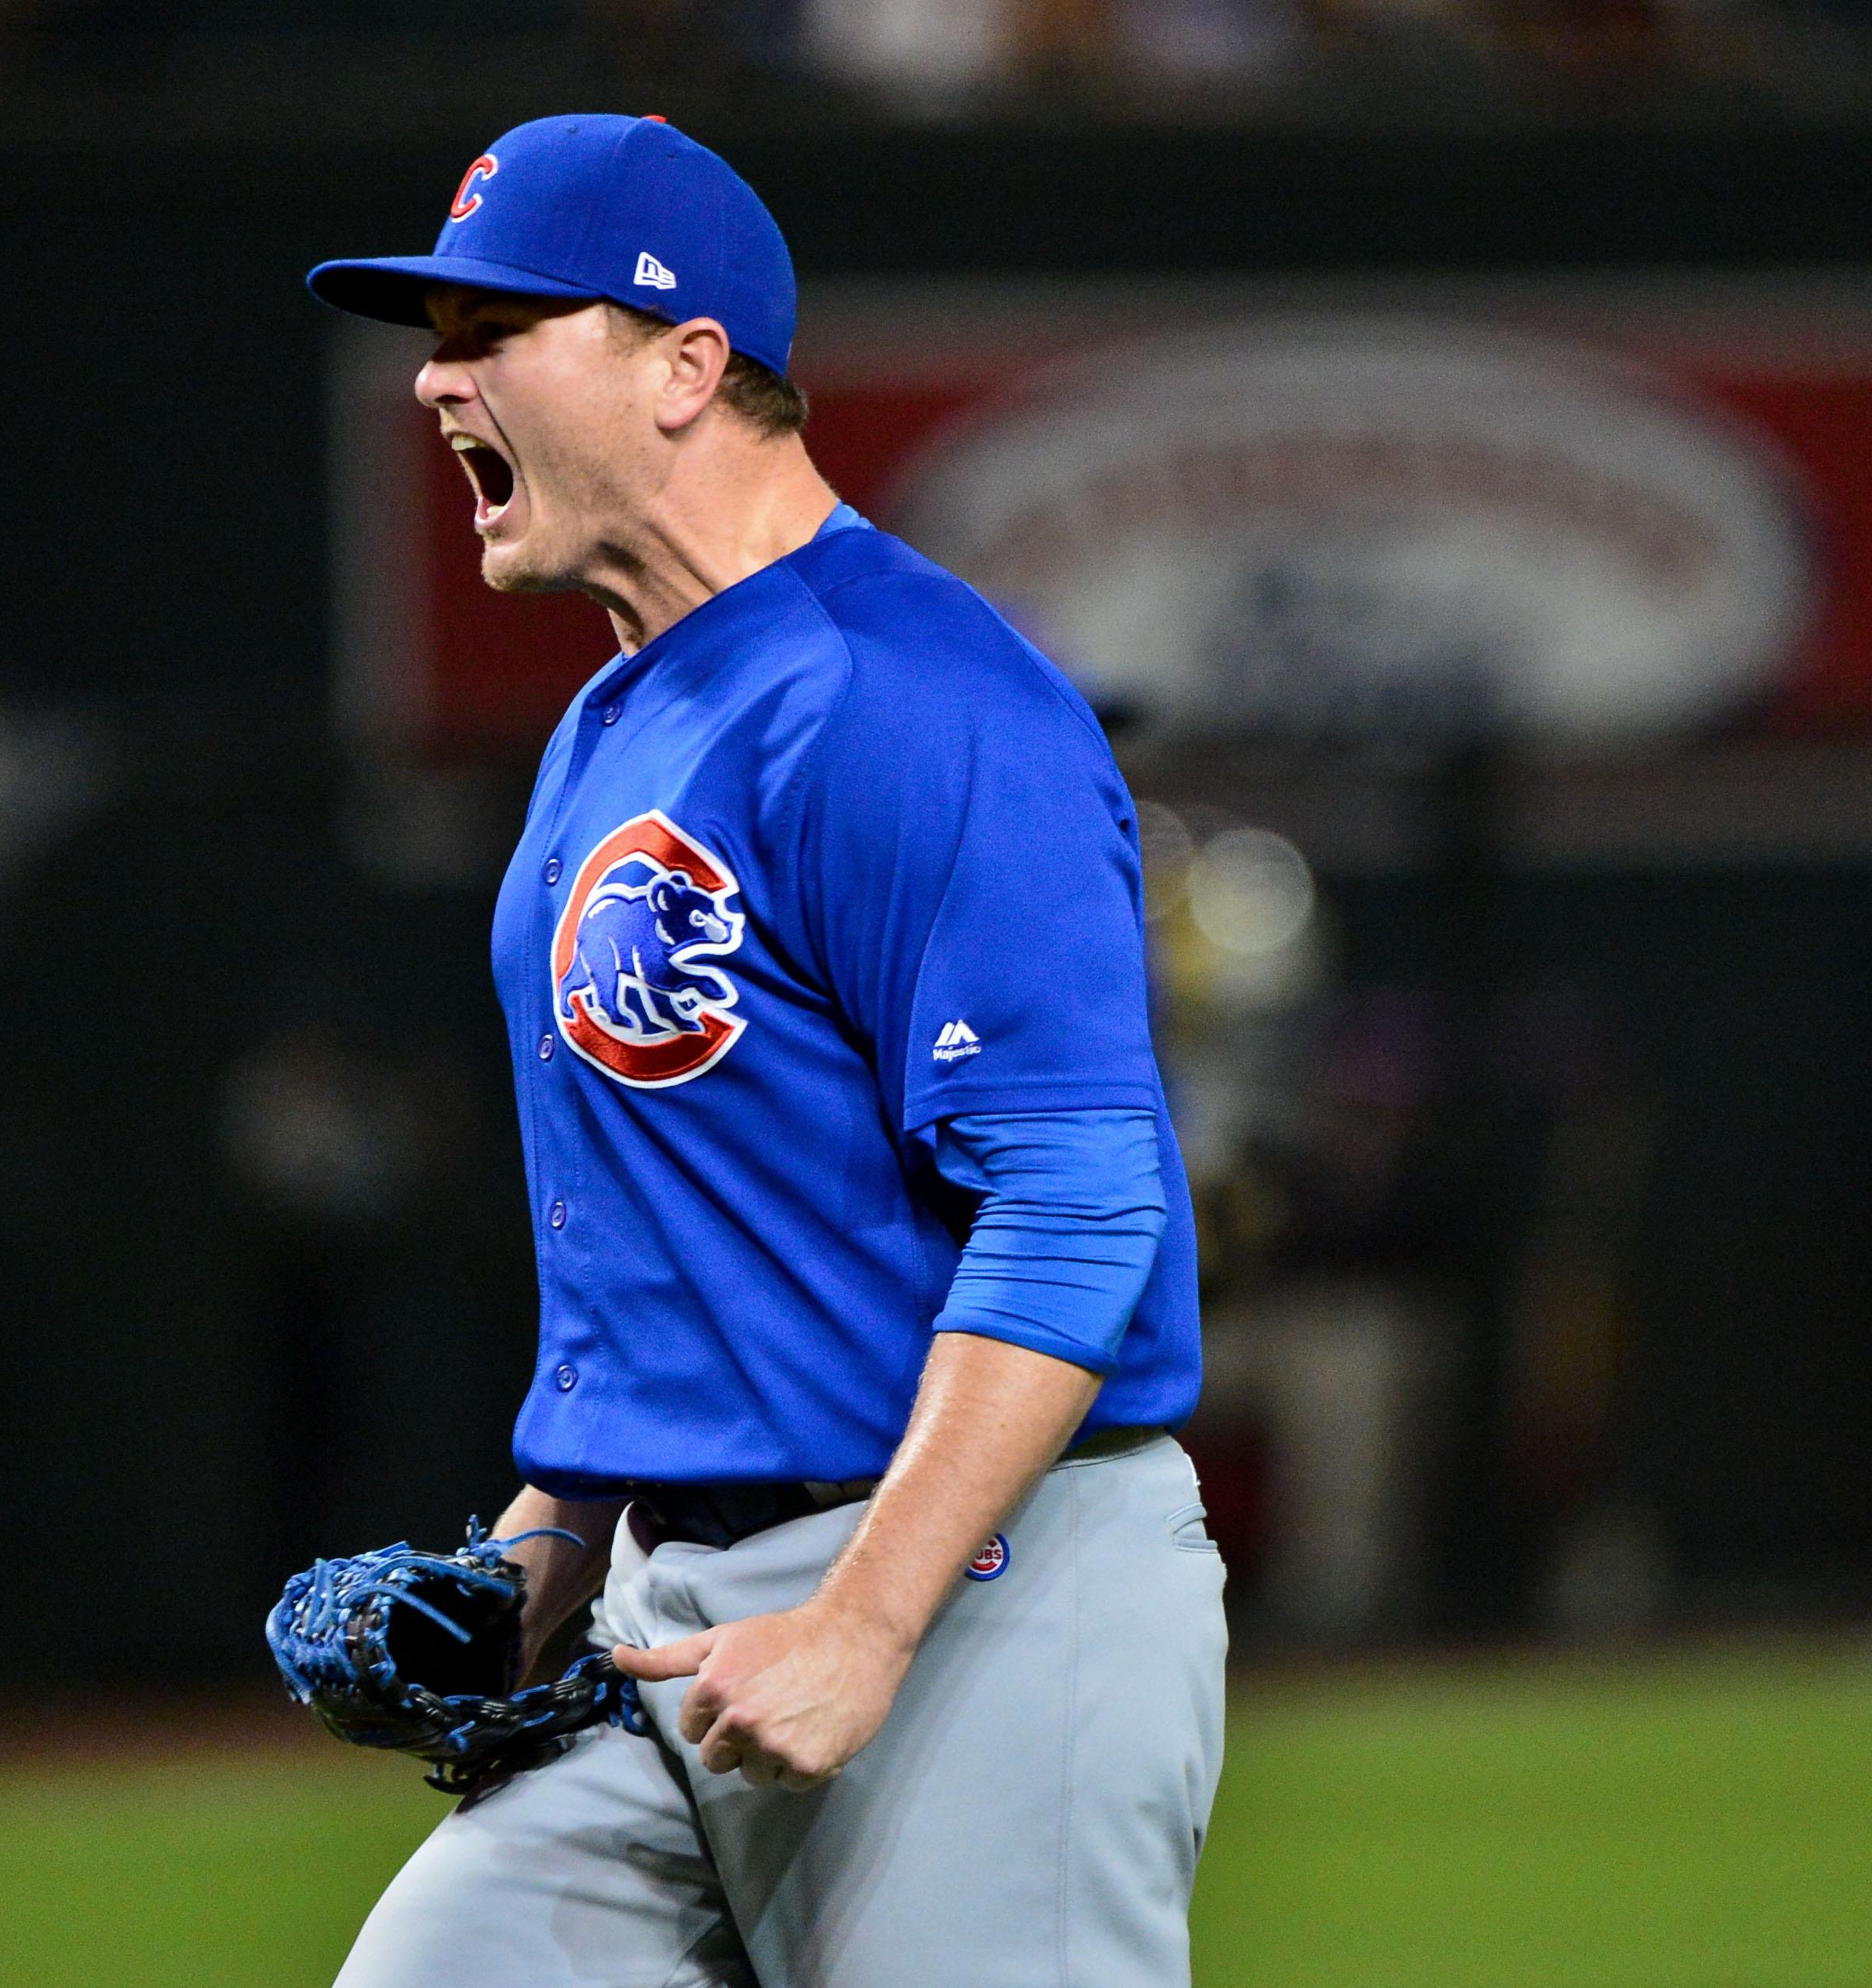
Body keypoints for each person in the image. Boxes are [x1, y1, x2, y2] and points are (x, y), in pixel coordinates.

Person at [304, 115, 1224, 1987]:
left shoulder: (912, 695)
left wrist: (868, 1619)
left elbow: (1074, 1190)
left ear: (684, 365)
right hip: (666, 1609)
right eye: (432, 331)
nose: (432, 374)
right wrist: (522, 1573)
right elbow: (686, 1265)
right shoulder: (614, 723)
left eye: (492, 325)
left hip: (979, 1591)